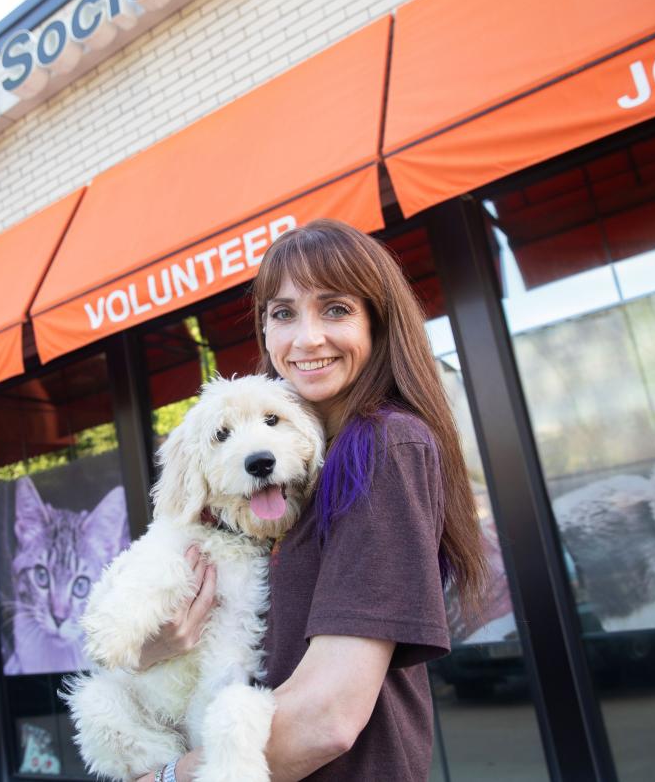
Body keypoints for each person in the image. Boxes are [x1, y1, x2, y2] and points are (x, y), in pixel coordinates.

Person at [138, 219, 487, 781]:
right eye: (283, 313)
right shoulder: (283, 475)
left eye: (336, 309)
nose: (305, 339)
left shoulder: (385, 445)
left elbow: (327, 716)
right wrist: (151, 650)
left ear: (378, 320)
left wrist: (164, 779)